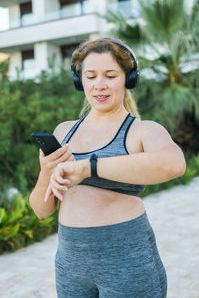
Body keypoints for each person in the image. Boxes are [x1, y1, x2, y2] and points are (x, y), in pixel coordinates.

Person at [29, 37, 186, 298]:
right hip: (71, 266)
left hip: (127, 262)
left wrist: (88, 168)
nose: (99, 85)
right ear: (80, 81)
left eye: (110, 75)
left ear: (128, 79)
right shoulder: (63, 132)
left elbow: (174, 164)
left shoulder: (142, 130)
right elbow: (41, 210)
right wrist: (47, 173)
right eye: (90, 76)